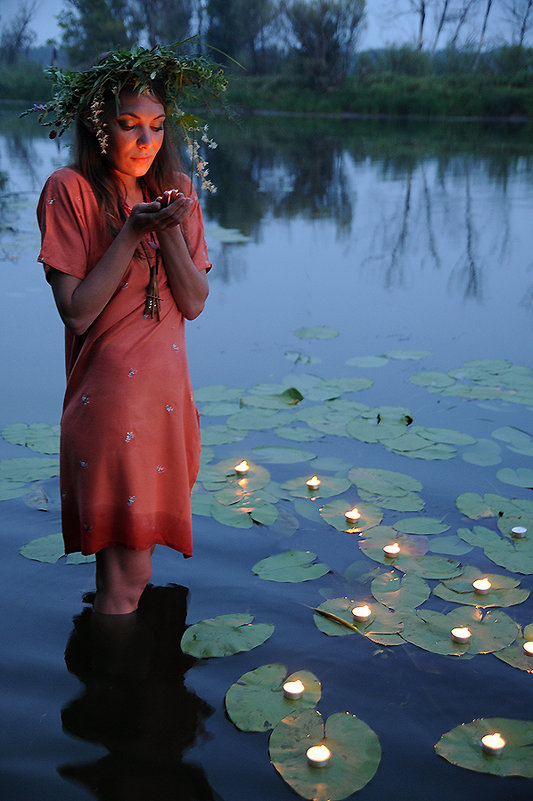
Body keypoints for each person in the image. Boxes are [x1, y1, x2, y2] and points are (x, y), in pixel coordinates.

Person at [32, 46, 227, 615]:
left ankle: (113, 682)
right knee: (128, 575)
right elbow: (77, 312)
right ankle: (115, 692)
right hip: (113, 402)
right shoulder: (69, 189)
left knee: (126, 574)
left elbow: (193, 303)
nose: (146, 141)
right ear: (98, 127)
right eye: (128, 126)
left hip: (168, 402)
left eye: (158, 126)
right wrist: (128, 234)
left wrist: (166, 229)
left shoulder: (178, 192)